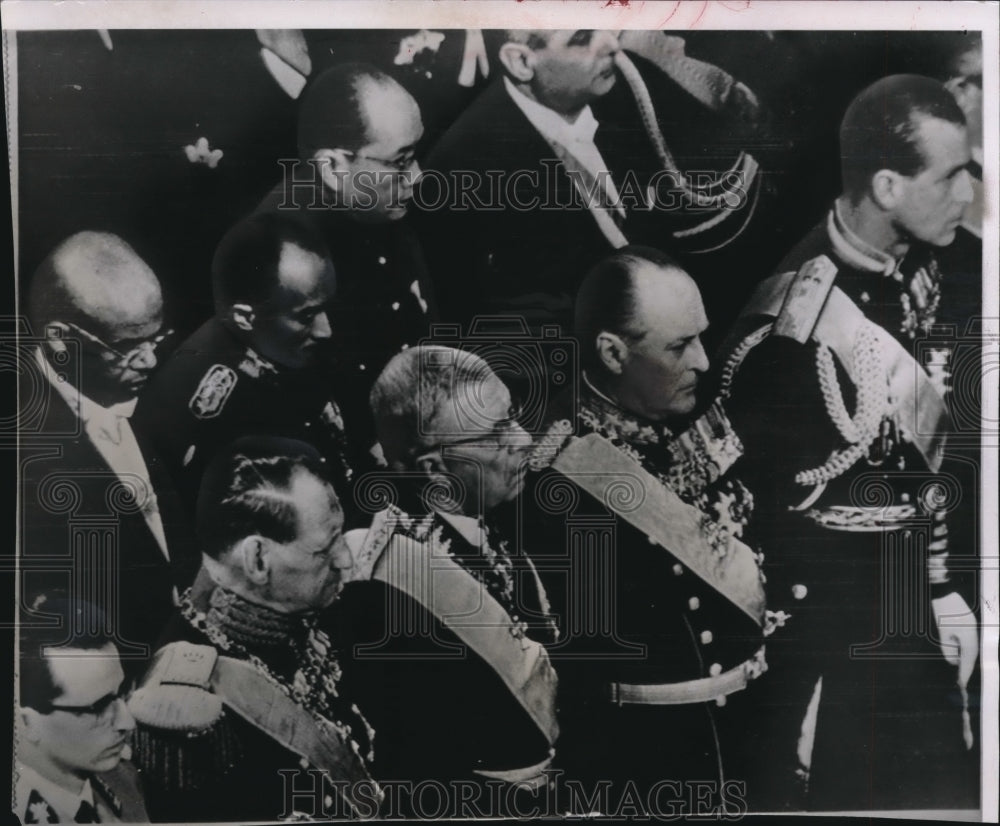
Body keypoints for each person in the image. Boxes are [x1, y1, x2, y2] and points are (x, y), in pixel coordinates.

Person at [718, 74, 979, 810]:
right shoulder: (792, 331)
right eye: (954, 175)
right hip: (855, 644)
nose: (969, 194)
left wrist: (952, 588)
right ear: (889, 186)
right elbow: (795, 533)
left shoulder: (953, 263)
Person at [524, 246, 770, 812]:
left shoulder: (679, 406)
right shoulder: (559, 477)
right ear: (612, 352)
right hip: (652, 761)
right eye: (680, 345)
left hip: (747, 730)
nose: (705, 362)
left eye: (701, 337)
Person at [418, 29, 768, 341]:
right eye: (583, 37)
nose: (612, 44)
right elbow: (505, 327)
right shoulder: (462, 172)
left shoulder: (635, 86)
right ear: (521, 61)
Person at [334, 345, 559, 815]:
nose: (522, 439)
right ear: (433, 469)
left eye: (512, 416)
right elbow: (421, 765)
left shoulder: (494, 505)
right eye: (496, 434)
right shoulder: (385, 588)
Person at [128, 436, 378, 822]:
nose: (345, 559)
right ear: (258, 559)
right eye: (325, 548)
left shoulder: (298, 608)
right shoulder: (188, 705)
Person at [20, 232, 195, 660]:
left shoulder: (150, 381)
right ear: (60, 340)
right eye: (130, 347)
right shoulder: (26, 455)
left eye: (157, 339)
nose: (151, 361)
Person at [255, 63, 437, 461]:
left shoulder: (378, 203)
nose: (418, 175)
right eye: (401, 160)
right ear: (333, 167)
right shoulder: (284, 258)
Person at [133, 212, 358, 519]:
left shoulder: (282, 342)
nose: (325, 330)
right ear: (244, 317)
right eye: (306, 316)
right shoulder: (221, 414)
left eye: (325, 309)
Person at [15, 592, 149, 823]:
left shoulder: (123, 778)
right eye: (98, 708)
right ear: (26, 722)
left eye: (120, 694)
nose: (127, 722)